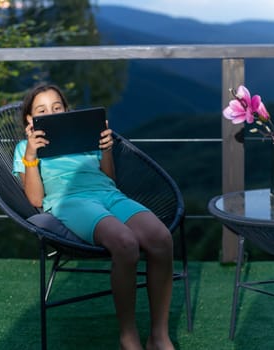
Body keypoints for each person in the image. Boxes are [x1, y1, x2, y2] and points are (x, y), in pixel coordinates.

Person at [12, 82, 175, 350]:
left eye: (57, 107)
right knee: (125, 243)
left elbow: (108, 179)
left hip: (108, 195)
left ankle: (159, 336)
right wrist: (31, 155)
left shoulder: (84, 138)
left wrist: (106, 149)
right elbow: (35, 199)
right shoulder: (24, 149)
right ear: (31, 119)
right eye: (42, 110)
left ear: (66, 110)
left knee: (161, 239)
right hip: (70, 201)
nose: (51, 114)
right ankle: (128, 336)